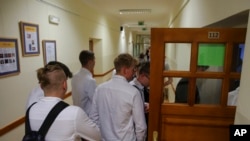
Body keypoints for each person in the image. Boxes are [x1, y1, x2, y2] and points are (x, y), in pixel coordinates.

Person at [27, 64, 101, 141]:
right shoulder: (74, 113)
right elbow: (97, 136)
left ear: (41, 86)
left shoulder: (30, 110)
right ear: (64, 85)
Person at [90, 53, 147, 141]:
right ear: (125, 70)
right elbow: (141, 127)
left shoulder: (99, 89)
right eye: (133, 69)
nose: (134, 73)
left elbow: (93, 119)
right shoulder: (133, 92)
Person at [129, 61, 150, 140]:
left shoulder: (141, 88)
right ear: (142, 76)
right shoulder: (133, 90)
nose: (151, 82)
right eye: (150, 78)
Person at [71, 50, 96, 116]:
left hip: (76, 113)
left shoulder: (75, 76)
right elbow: (95, 101)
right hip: (87, 115)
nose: (95, 63)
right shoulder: (90, 80)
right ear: (90, 62)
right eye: (94, 60)